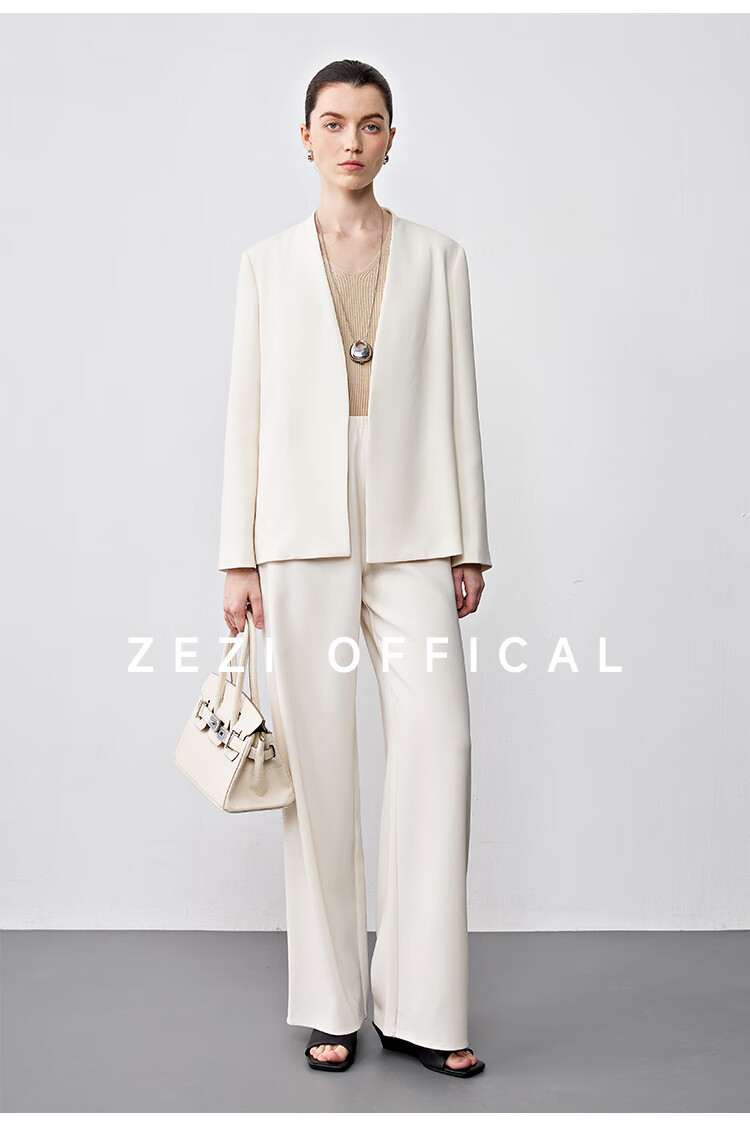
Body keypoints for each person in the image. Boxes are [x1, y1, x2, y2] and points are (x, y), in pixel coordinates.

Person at [219, 59, 491, 1078]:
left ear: (390, 139)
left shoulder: (440, 258)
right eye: (333, 123)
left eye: (370, 124)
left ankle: (423, 1005)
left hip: (414, 519)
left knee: (439, 743)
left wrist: (471, 539)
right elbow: (245, 413)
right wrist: (237, 556)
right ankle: (331, 1001)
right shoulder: (264, 265)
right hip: (299, 527)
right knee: (318, 767)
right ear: (305, 137)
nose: (351, 141)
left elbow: (460, 399)